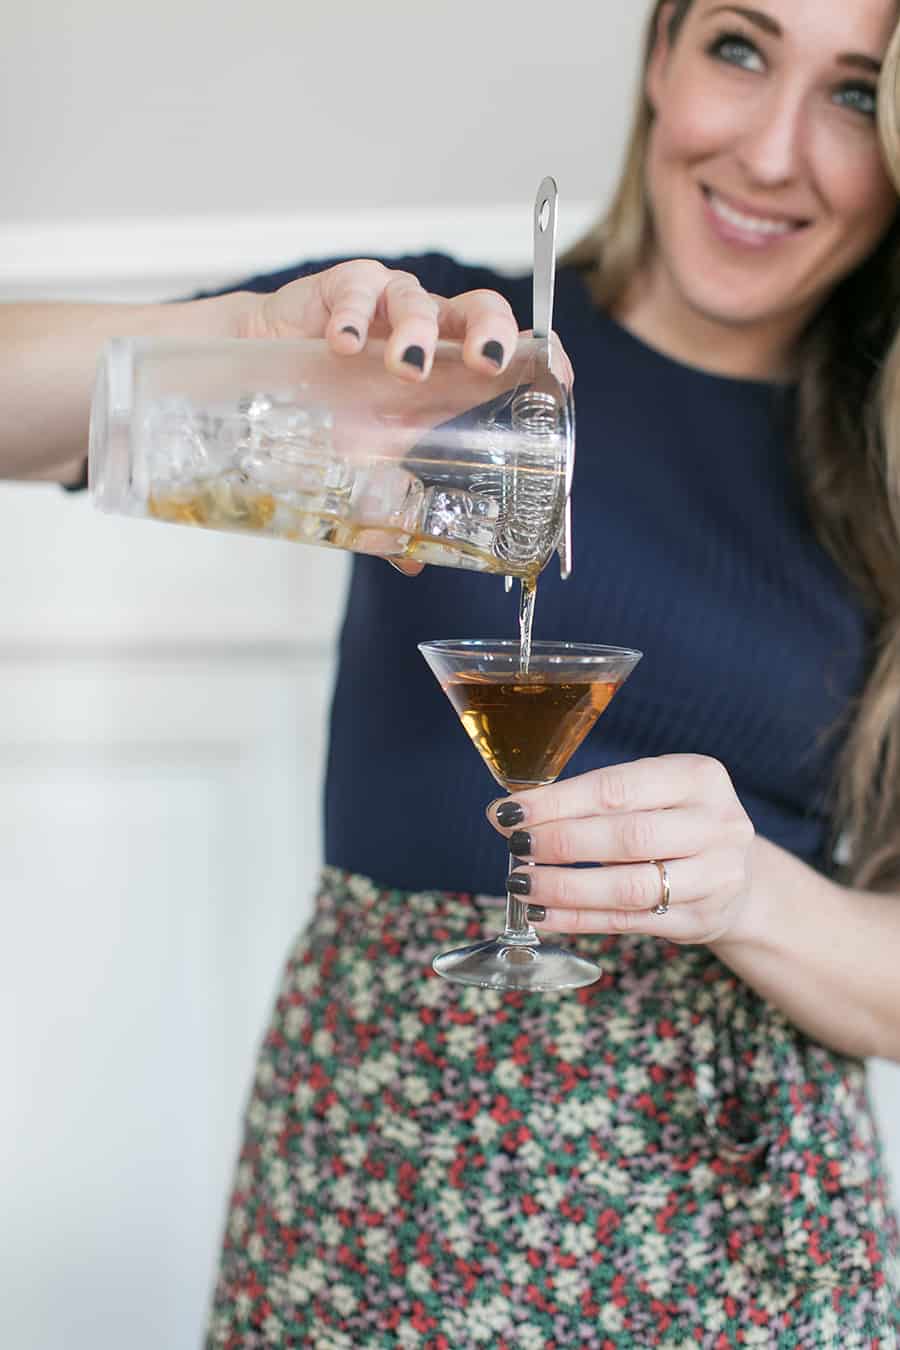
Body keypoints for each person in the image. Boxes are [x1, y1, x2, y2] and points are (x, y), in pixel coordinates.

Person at [6, 0, 900, 1341]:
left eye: (856, 92)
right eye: (738, 46)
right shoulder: (443, 357)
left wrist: (744, 889)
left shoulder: (887, 470)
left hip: (735, 1227)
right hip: (377, 1169)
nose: (773, 153)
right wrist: (253, 344)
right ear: (659, 55)